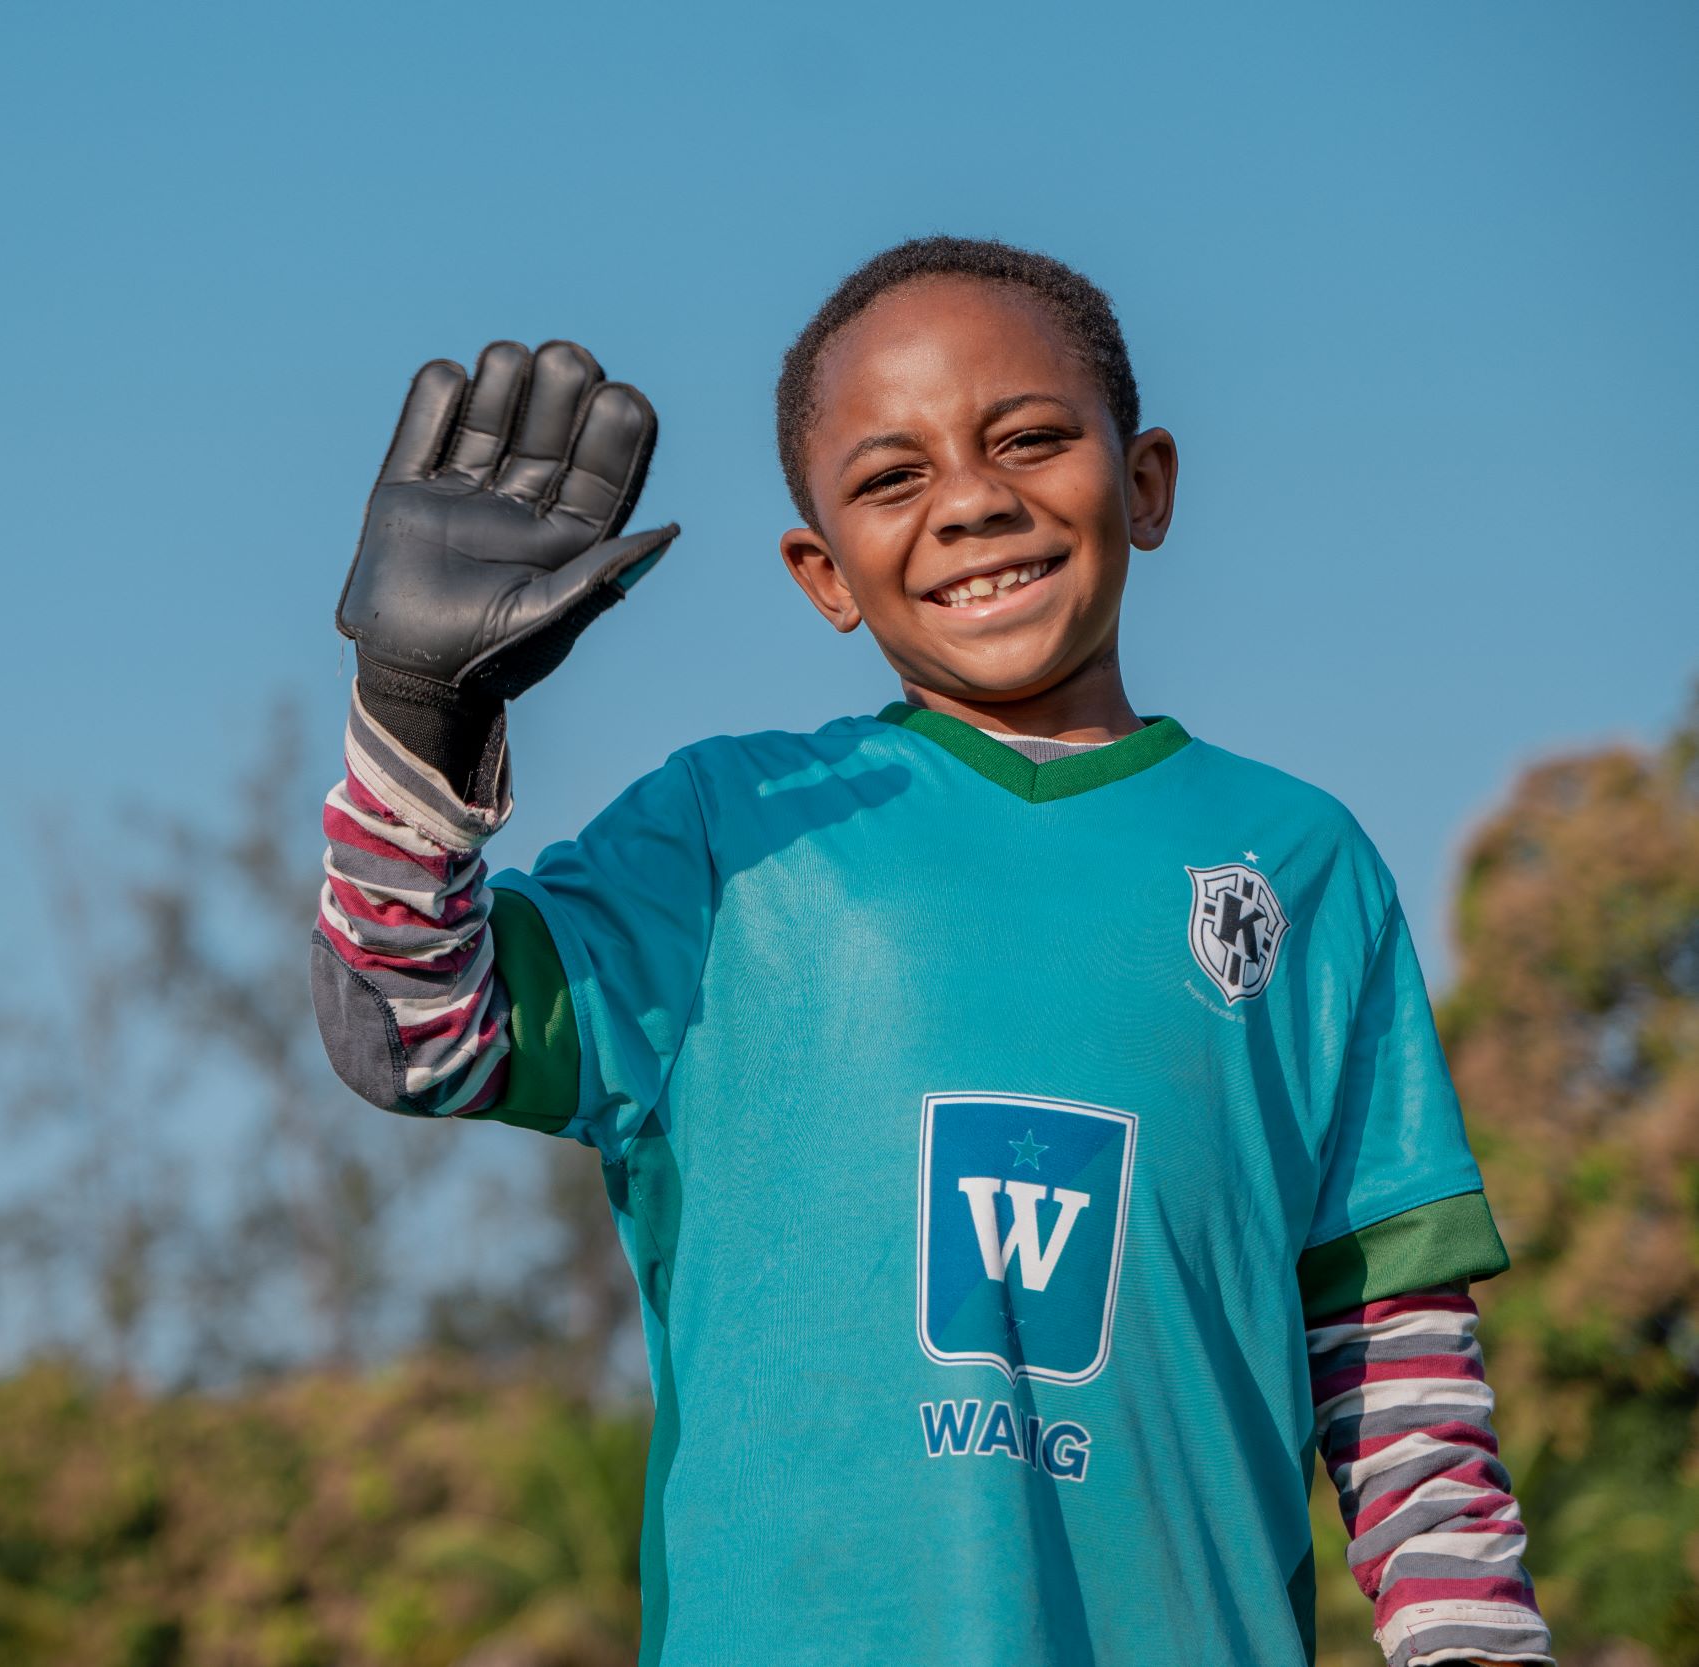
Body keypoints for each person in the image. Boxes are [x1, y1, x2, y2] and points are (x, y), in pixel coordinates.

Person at [310, 236, 1553, 1667]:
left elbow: (1399, 1370)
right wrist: (411, 712)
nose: (972, 500)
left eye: (1029, 438)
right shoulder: (734, 832)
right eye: (892, 478)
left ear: (1143, 482)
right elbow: (409, 1030)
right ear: (821, 571)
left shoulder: (1300, 864)